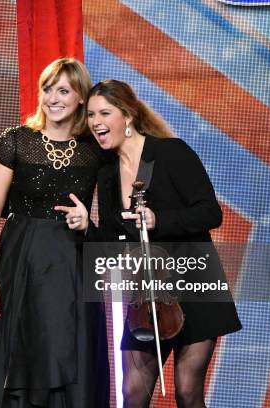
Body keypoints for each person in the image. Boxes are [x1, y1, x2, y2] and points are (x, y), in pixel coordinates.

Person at [75, 80, 242, 407]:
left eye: (104, 113)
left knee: (187, 391)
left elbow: (210, 212)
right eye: (91, 114)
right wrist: (86, 227)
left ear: (128, 115)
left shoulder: (170, 152)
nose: (95, 121)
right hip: (145, 298)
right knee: (132, 392)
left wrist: (158, 220)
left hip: (195, 285)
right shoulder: (107, 174)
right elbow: (112, 244)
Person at [0, 58, 110, 408]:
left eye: (63, 90)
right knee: (16, 355)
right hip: (20, 264)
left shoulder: (95, 151)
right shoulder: (15, 141)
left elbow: (115, 223)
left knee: (69, 353)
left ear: (80, 98)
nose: (53, 97)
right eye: (48, 89)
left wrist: (86, 223)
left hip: (71, 270)